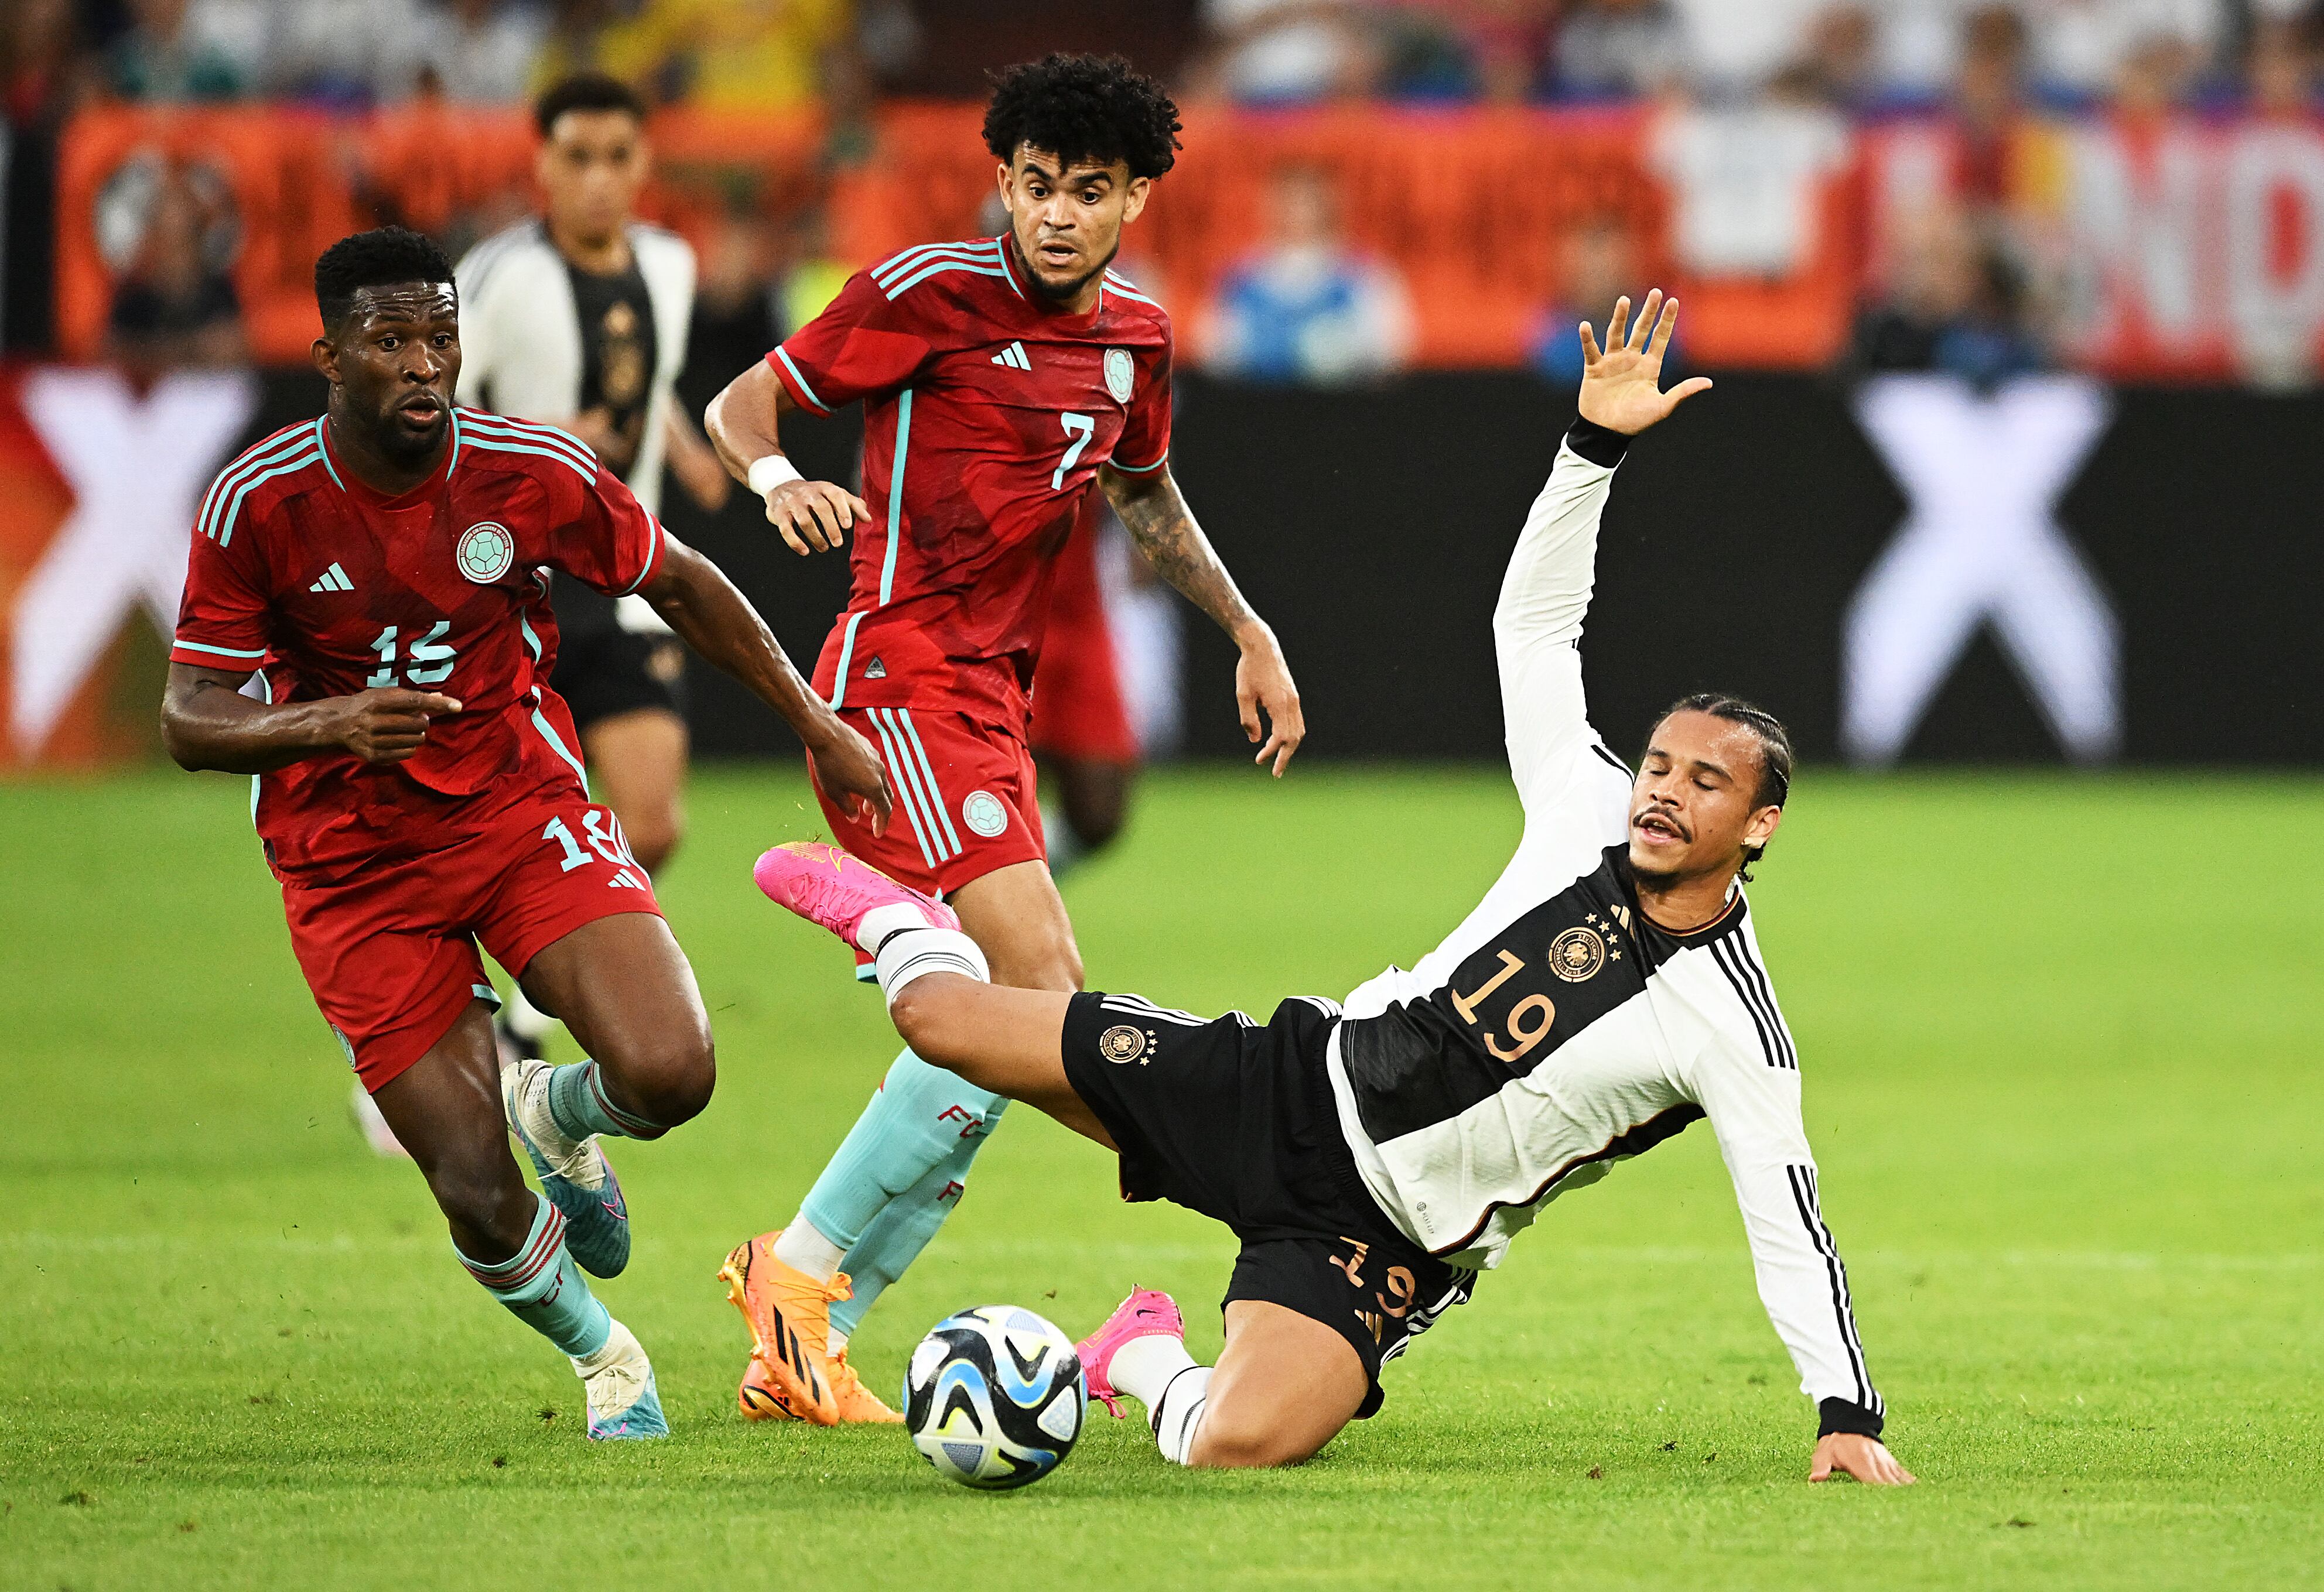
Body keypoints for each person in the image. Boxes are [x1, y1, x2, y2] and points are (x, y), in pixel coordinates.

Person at [752, 292, 1916, 1486]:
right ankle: (895, 916)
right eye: (1660, 764)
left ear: (1758, 822)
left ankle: (1139, 1355)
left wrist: (1847, 1416)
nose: (1661, 793)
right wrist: (1592, 451)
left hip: (1385, 1242)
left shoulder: (1734, 1021)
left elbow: (1788, 1217)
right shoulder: (1584, 799)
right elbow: (1535, 625)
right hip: (1288, 1088)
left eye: (1703, 782)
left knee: (1236, 1446)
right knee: (940, 1017)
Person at [159, 226, 892, 1440]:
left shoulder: (525, 471)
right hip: (350, 867)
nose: (423, 365)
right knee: (469, 1184)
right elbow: (190, 716)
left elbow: (685, 583)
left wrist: (816, 723)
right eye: (389, 341)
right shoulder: (260, 500)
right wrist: (335, 722)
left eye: (440, 337)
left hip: (515, 810)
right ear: (328, 355)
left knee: (673, 1070)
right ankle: (606, 1355)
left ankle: (563, 1110)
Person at [702, 52, 1305, 1427]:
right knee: (1037, 988)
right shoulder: (924, 294)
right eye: (1033, 188)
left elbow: (1146, 500)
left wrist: (1249, 632)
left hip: (990, 698)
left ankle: (798, 1295)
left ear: (1135, 199)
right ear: (1003, 186)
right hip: (893, 679)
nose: (1054, 217)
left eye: (1086, 193)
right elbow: (743, 405)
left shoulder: (1134, 343)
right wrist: (780, 475)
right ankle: (1264, 1198)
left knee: (986, 1017)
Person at [443, 73, 732, 1080]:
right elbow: (426, 411)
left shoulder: (670, 263)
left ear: (645, 164)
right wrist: (536, 441)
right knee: (469, 844)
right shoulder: (493, 278)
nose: (601, 180)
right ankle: (430, 1036)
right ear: (542, 165)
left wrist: (684, 446)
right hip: (506, 592)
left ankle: (521, 1032)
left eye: (619, 158)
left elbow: (643, 381)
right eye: (579, 158)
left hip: (624, 578)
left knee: (652, 822)